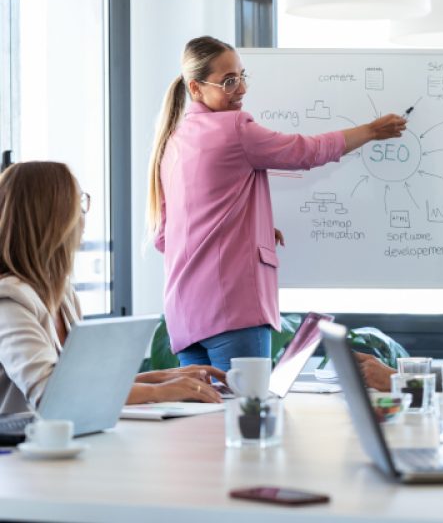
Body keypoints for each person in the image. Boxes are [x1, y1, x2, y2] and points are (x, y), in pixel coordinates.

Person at [147, 35, 407, 371]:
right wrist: (371, 130)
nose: (241, 89)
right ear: (196, 89)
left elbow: (166, 236)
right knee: (249, 416)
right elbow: (305, 151)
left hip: (184, 316)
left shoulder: (173, 140)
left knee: (203, 419)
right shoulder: (234, 128)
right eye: (229, 81)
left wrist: (249, 230)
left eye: (242, 76)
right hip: (232, 312)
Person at [0, 161, 224, 415]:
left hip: (64, 441)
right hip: (19, 451)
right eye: (79, 202)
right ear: (53, 216)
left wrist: (164, 377)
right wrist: (160, 391)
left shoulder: (62, 294)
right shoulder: (9, 301)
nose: (84, 213)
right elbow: (51, 392)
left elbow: (86, 384)